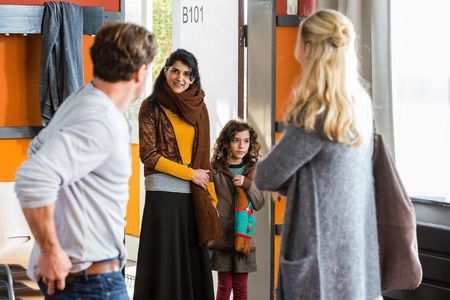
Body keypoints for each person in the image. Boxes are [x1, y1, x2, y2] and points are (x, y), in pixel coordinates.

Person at [14, 22, 156, 299]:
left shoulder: (81, 100)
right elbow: (34, 178)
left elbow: (38, 156)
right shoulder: (100, 119)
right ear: (140, 73)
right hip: (91, 284)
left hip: (83, 278)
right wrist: (51, 250)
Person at [254, 9, 381, 300]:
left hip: (317, 261)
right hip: (354, 257)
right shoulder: (359, 105)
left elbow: (267, 174)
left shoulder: (315, 112)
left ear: (307, 48)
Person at [134, 49, 221, 300]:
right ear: (165, 71)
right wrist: (190, 174)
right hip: (163, 196)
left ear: (193, 79)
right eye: (175, 71)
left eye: (186, 74)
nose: (180, 78)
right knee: (164, 266)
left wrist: (211, 197)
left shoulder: (200, 108)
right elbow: (149, 155)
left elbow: (205, 161)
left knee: (193, 267)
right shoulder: (150, 107)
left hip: (195, 196)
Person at [209, 120, 265, 300]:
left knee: (241, 286)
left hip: (244, 238)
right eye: (236, 140)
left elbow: (259, 202)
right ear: (226, 143)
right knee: (224, 285)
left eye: (246, 141)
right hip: (222, 236)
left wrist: (247, 184)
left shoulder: (253, 170)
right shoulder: (216, 169)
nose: (242, 145)